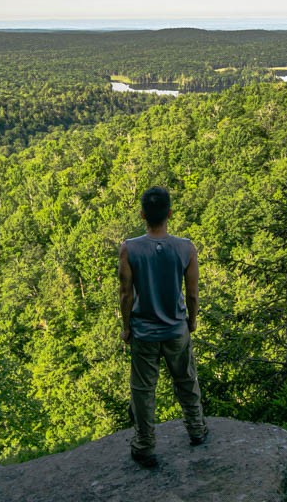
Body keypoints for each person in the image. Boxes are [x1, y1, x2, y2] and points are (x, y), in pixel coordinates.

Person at [118, 185, 208, 468]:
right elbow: (192, 294)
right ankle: (196, 429)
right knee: (185, 379)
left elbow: (125, 294)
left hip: (144, 330)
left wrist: (126, 327)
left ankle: (144, 445)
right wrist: (191, 321)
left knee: (143, 390)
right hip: (176, 329)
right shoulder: (186, 247)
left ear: (143, 215)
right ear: (169, 213)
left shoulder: (129, 248)